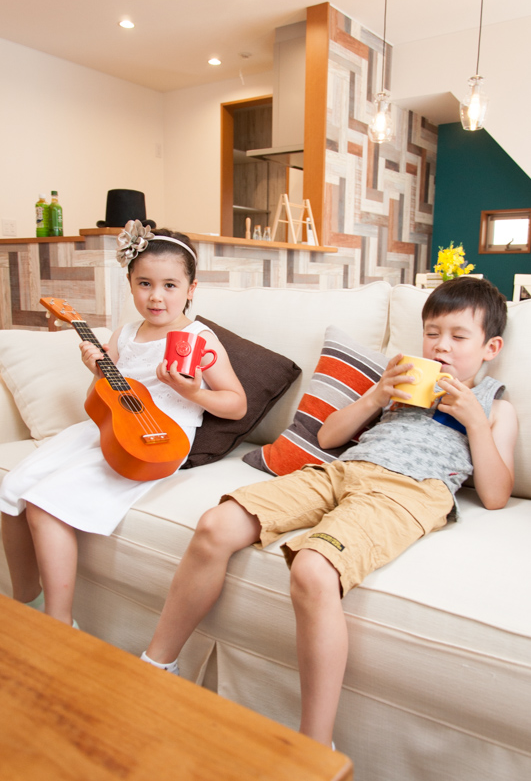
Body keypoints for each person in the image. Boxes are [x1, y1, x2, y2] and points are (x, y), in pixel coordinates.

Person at [141, 276, 517, 748]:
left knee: (313, 569)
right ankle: (156, 666)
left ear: (490, 347)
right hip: (343, 470)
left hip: (409, 492)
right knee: (216, 524)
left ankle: (316, 747)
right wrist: (378, 394)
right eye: (432, 333)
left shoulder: (494, 406)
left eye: (458, 337)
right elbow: (327, 438)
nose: (441, 346)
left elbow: (496, 494)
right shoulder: (402, 384)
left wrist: (475, 422)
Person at [0, 220, 247, 627]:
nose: (156, 296)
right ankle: (25, 602)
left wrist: (193, 393)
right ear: (130, 284)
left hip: (156, 439)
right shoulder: (126, 333)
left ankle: (59, 624)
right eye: (144, 284)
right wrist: (98, 369)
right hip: (106, 429)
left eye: (170, 285)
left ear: (191, 288)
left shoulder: (199, 338)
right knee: (10, 489)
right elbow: (103, 396)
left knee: (45, 505)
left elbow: (236, 405)